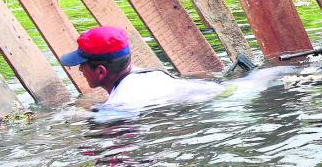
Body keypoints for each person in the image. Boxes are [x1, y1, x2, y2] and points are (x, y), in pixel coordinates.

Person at [61, 26, 222, 111]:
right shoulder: (152, 75)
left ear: (101, 72)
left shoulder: (120, 104)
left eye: (82, 64)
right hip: (219, 91)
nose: (80, 69)